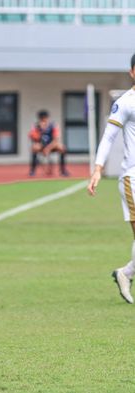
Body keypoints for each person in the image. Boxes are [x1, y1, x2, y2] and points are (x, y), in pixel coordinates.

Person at [87, 53, 135, 304]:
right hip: (133, 178)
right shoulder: (126, 102)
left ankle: (125, 273)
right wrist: (97, 169)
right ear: (132, 73)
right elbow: (108, 137)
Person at [29, 110, 69, 177]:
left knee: (62, 148)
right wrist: (39, 131)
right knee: (34, 148)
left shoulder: (53, 125)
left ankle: (63, 170)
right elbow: (33, 137)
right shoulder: (36, 126)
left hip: (51, 145)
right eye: (42, 119)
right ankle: (32, 170)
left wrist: (48, 148)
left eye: (45, 118)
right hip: (41, 145)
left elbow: (56, 139)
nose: (44, 120)